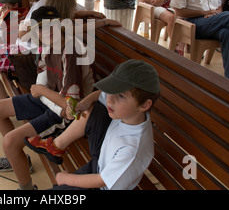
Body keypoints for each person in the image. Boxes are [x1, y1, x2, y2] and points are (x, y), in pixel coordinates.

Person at [0, 6, 95, 190]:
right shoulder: (48, 46)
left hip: (69, 115)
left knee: (10, 142)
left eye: (51, 26)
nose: (47, 31)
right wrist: (42, 92)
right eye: (41, 28)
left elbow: (71, 108)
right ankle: (19, 158)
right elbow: (39, 85)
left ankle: (26, 189)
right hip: (53, 102)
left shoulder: (71, 50)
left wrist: (42, 92)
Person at [25, 59, 160, 190]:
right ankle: (57, 147)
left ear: (144, 105)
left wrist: (66, 178)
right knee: (98, 107)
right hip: (100, 161)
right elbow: (101, 94)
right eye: (112, 92)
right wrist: (83, 104)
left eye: (121, 96)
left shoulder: (133, 150)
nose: (110, 99)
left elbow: (101, 180)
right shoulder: (130, 113)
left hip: (100, 185)